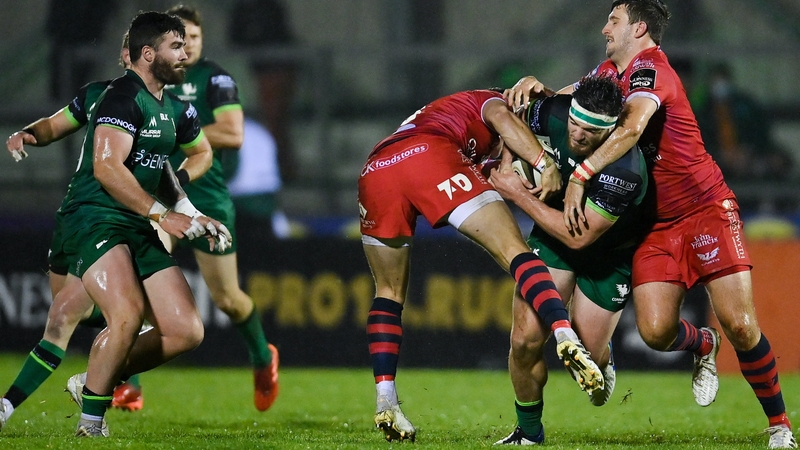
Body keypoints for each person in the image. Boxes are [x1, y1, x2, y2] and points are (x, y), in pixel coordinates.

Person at [507, 1, 796, 448]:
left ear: (639, 27)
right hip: (654, 223)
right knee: (655, 331)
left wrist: (581, 176)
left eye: (614, 20)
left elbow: (631, 126)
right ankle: (702, 344)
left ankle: (780, 425)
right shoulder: (609, 72)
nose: (605, 28)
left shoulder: (651, 70)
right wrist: (539, 90)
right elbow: (576, 99)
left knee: (740, 324)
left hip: (705, 208)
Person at [358, 88, 605, 443]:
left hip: (377, 169)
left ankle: (386, 399)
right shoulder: (491, 100)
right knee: (516, 252)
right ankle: (565, 333)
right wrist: (544, 162)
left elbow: (488, 164)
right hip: (428, 154)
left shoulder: (453, 127)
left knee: (388, 292)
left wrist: (505, 166)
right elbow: (503, 120)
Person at [55, 11, 229, 437]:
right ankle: (90, 426)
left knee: (186, 330)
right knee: (128, 314)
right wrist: (162, 215)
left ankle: (94, 378)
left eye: (185, 44)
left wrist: (190, 212)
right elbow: (108, 169)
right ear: (148, 54)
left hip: (136, 220)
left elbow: (165, 167)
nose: (185, 52)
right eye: (176, 46)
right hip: (97, 218)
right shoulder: (120, 96)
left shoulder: (172, 107)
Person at [0, 34, 149, 431]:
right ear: (124, 54)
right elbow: (55, 125)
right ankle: (131, 330)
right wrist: (29, 133)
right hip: (72, 215)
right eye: (126, 46)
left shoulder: (160, 108)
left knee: (63, 315)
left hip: (104, 221)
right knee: (78, 314)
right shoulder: (98, 95)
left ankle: (9, 407)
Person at [490, 75, 647, 444]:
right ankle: (528, 433)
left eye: (589, 131)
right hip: (553, 236)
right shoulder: (554, 112)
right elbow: (512, 121)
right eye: (574, 123)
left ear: (610, 131)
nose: (576, 135)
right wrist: (512, 159)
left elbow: (578, 237)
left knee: (586, 357)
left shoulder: (624, 168)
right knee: (525, 340)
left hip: (606, 253)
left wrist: (518, 195)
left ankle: (603, 355)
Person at [159, 5, 279, 413]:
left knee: (227, 298)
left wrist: (168, 129)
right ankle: (125, 383)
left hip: (205, 197)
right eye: (179, 39)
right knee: (136, 283)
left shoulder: (215, 78)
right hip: (154, 195)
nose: (188, 45)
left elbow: (233, 132)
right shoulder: (146, 80)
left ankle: (263, 358)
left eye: (194, 37)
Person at [228, 0, 298, 181]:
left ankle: (284, 171)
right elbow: (236, 36)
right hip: (258, 69)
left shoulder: (269, 7)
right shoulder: (244, 9)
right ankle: (281, 170)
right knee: (272, 122)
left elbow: (278, 34)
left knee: (275, 121)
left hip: (276, 66)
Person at [226, 116, 285, 240]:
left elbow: (228, 172)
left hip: (240, 205)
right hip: (267, 203)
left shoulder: (226, 130)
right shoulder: (258, 130)